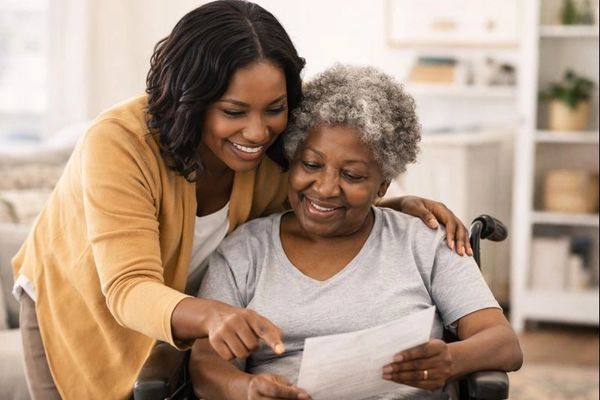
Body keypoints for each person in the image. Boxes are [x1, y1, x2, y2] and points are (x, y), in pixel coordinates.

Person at [12, 2, 472, 399]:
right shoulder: (119, 143)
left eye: (274, 108)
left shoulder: (274, 151)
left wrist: (390, 206)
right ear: (190, 101)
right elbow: (128, 287)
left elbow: (314, 197)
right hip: (84, 306)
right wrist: (214, 314)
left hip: (186, 309)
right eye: (234, 112)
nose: (257, 132)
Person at [189, 64, 523, 400]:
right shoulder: (244, 252)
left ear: (383, 186)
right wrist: (245, 389)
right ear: (291, 160)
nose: (326, 188)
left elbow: (503, 343)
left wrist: (452, 360)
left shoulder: (425, 241)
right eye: (311, 165)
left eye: (352, 175)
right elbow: (206, 362)